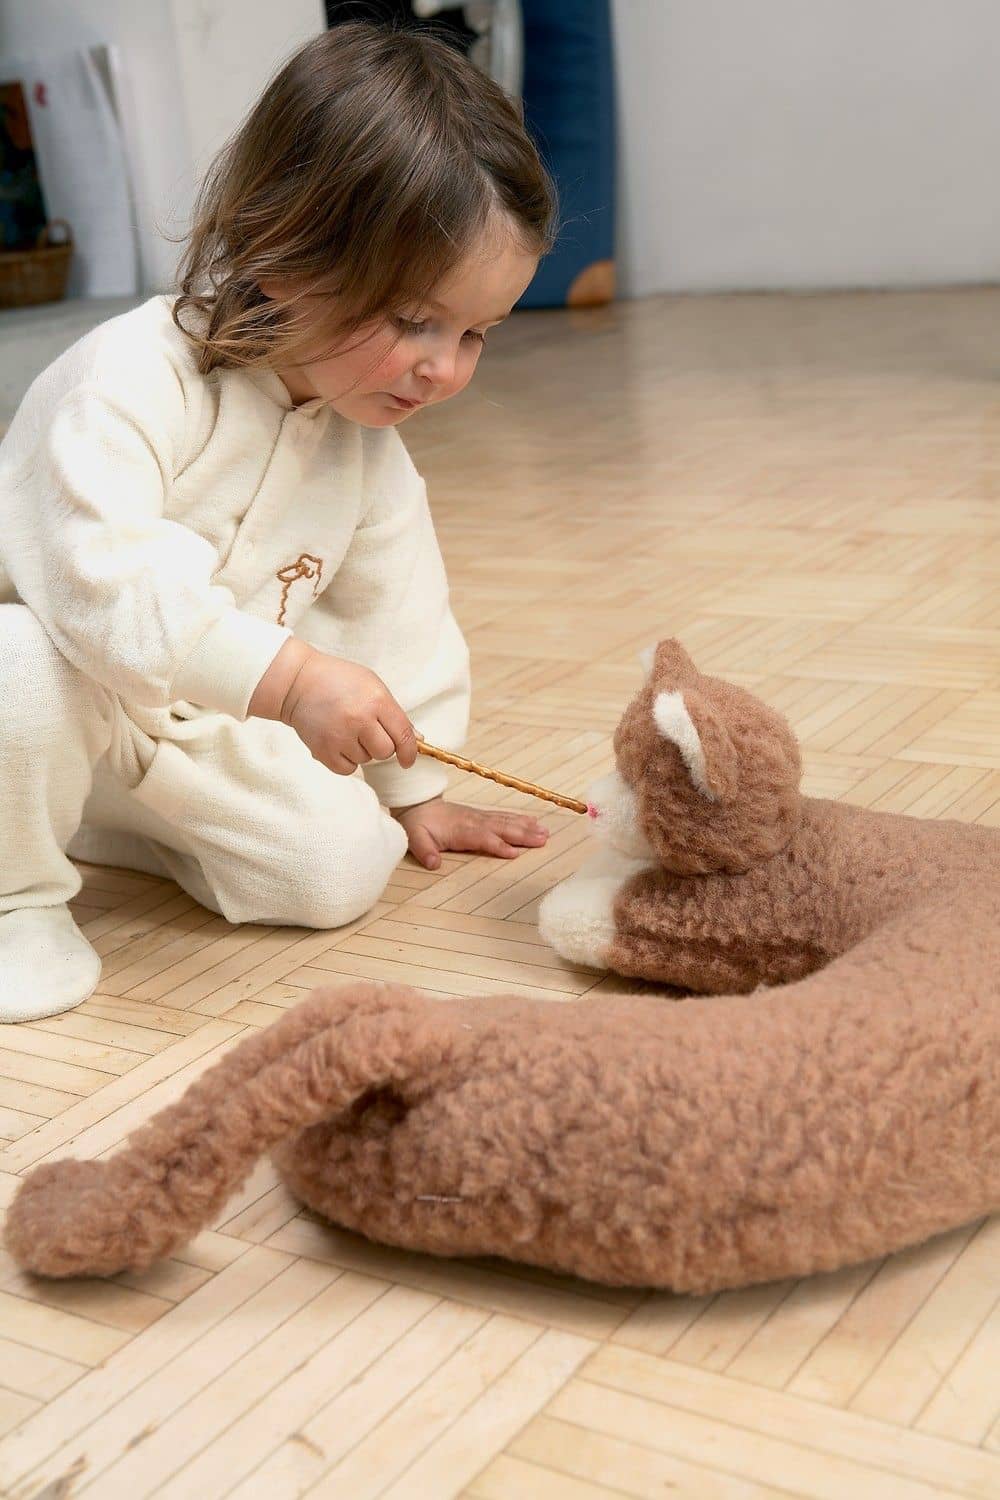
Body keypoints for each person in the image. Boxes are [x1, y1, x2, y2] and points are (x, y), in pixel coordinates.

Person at [0, 22, 558, 1023]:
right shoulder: (124, 381)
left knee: (336, 870)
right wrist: (292, 679)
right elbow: (98, 579)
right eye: (413, 321)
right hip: (45, 689)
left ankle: (78, 816)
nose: (447, 369)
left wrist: (414, 788)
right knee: (18, 666)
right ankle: (14, 895)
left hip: (173, 727)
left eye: (475, 333)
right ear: (286, 253)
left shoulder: (362, 447)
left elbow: (401, 618)